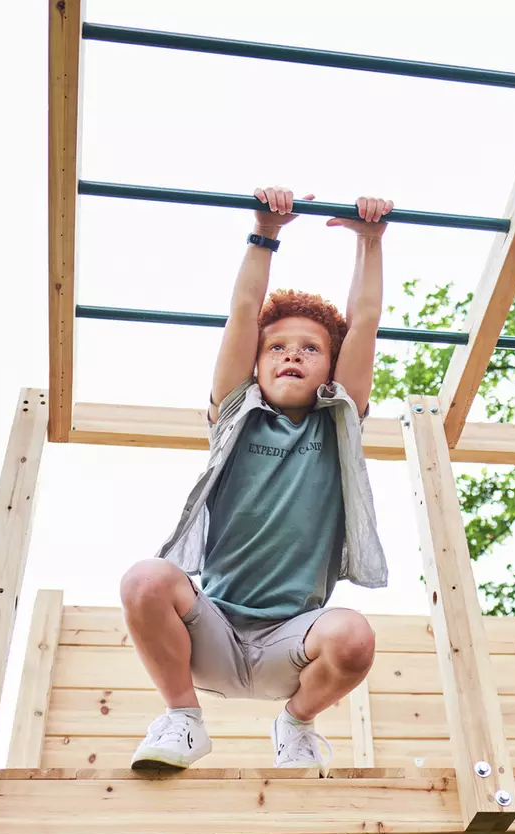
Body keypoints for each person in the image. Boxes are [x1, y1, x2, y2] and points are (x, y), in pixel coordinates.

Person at [117, 186, 393, 773]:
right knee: (146, 579)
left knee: (355, 638)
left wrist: (370, 242)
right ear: (255, 362)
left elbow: (365, 321)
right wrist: (265, 233)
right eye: (277, 348)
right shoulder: (235, 415)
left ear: (331, 366)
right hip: (209, 632)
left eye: (311, 348)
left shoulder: (339, 419)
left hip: (292, 646)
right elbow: (244, 311)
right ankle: (183, 720)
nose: (291, 356)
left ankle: (296, 725)